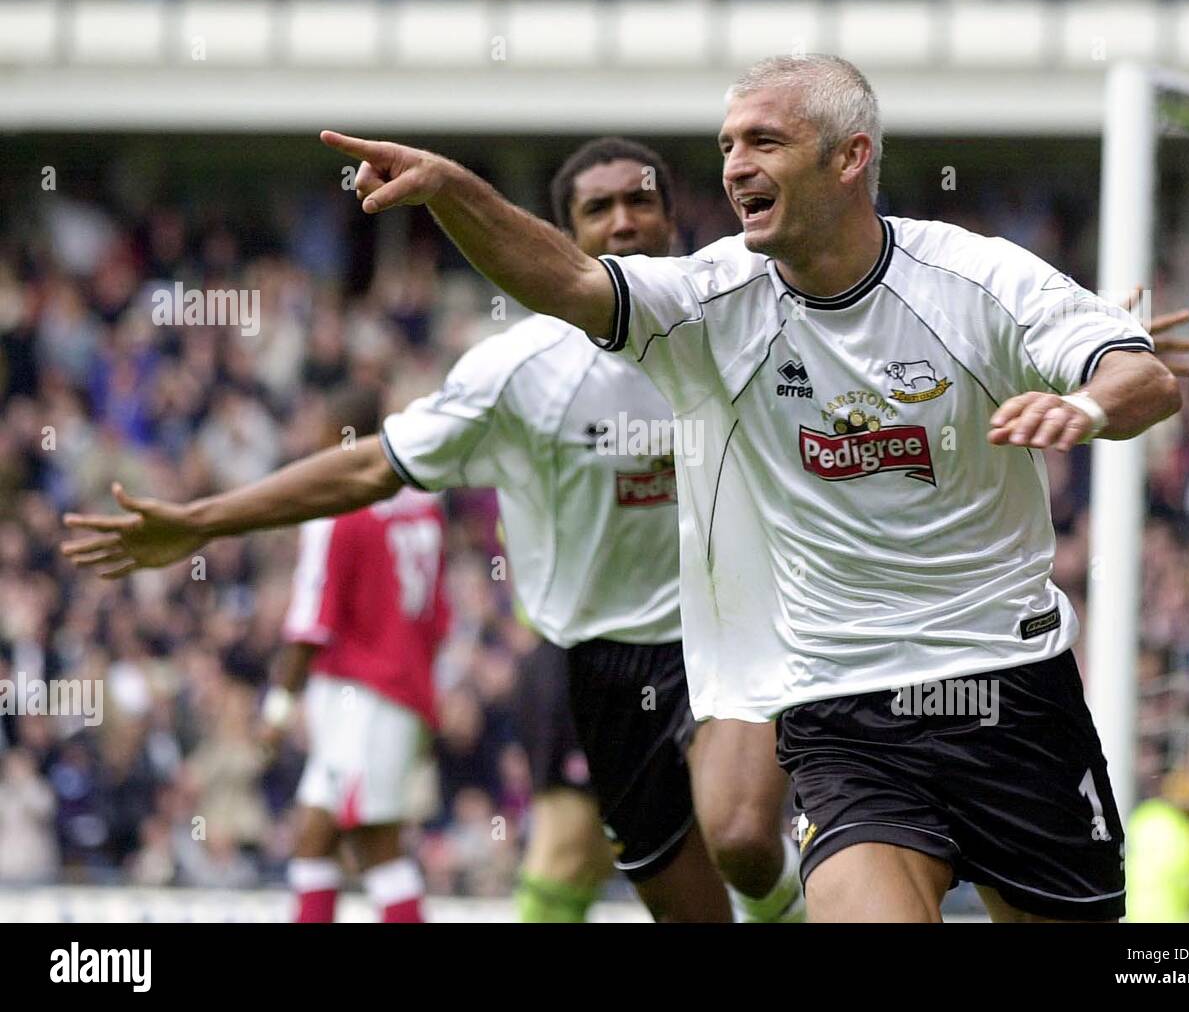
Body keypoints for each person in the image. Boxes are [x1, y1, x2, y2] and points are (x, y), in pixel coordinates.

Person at [303, 52, 1184, 922]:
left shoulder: (973, 278)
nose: (734, 167)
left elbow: (1140, 374)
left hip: (1007, 685)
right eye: (726, 146)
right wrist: (453, 188)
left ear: (851, 157)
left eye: (764, 140)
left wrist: (1091, 408)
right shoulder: (711, 303)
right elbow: (569, 280)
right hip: (843, 710)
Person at [62, 139, 804, 924]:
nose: (623, 222)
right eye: (598, 209)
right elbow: (367, 469)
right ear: (562, 238)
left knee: (745, 840)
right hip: (599, 661)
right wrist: (200, 521)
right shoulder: (518, 373)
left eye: (640, 201)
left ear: (670, 215)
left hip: (724, 631)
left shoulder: (733, 328)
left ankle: (786, 891)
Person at [263, 385, 450, 923]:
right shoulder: (423, 499)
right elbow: (437, 613)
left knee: (374, 842)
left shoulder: (336, 510)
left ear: (340, 437)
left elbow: (308, 625)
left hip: (365, 696)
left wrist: (277, 710)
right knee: (313, 837)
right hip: (399, 688)